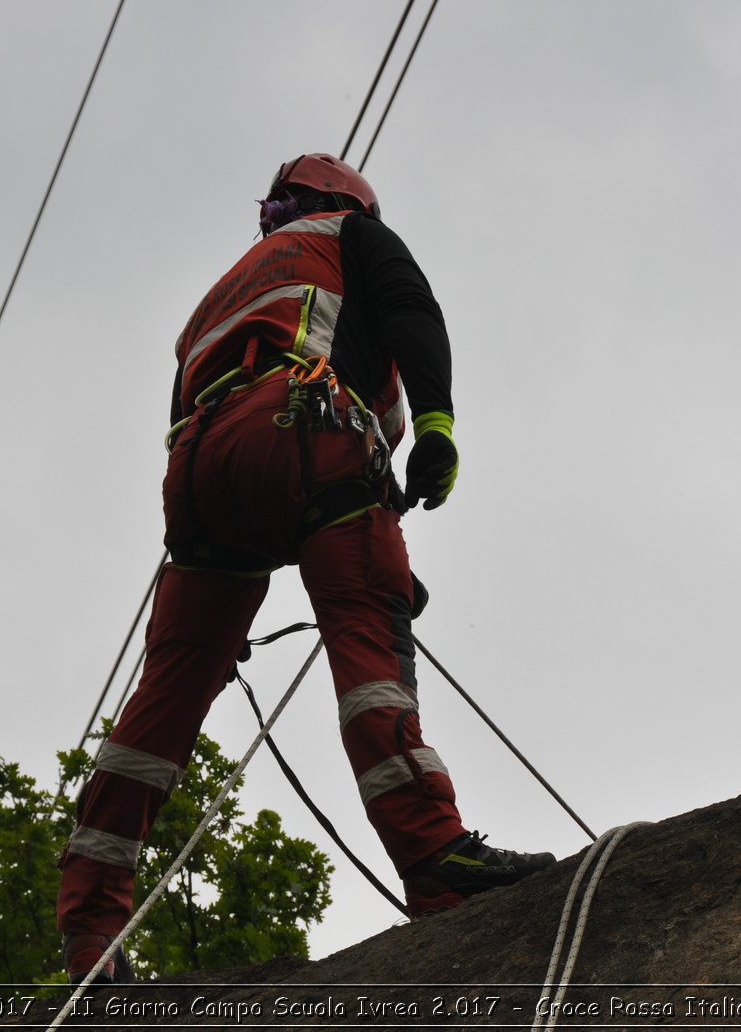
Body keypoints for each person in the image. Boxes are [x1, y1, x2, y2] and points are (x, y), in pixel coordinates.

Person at [56, 153, 555, 984]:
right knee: (367, 632)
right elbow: (408, 316)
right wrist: (437, 428)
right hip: (305, 434)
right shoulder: (356, 235)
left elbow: (199, 409)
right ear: (349, 201)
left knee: (165, 699)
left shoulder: (216, 296)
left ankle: (89, 933)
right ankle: (434, 853)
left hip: (200, 477)